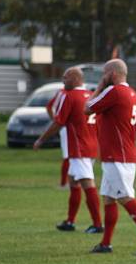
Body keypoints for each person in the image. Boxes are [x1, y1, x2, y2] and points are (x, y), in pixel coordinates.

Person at [85, 58, 136, 255]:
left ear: (112, 74)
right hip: (125, 154)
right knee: (109, 198)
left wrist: (100, 86)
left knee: (125, 197)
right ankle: (106, 243)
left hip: (116, 155)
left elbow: (87, 108)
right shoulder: (133, 95)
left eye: (104, 73)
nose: (103, 77)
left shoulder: (114, 91)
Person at [34, 67, 103, 233]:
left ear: (75, 78)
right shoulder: (91, 95)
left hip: (80, 146)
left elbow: (58, 122)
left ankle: (98, 224)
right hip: (90, 145)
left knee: (87, 183)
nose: (63, 81)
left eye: (65, 77)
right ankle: (70, 221)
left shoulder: (70, 96)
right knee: (73, 182)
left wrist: (41, 139)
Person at [46, 90, 70, 189]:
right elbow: (49, 107)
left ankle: (71, 182)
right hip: (66, 128)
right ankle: (64, 183)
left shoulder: (81, 91)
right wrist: (57, 121)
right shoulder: (62, 92)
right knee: (68, 155)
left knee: (79, 156)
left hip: (78, 127)